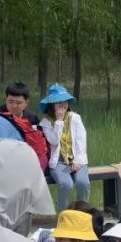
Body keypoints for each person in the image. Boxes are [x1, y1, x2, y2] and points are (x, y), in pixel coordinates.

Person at [38, 83, 90, 211]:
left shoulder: (75, 118)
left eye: (65, 101)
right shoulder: (46, 122)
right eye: (58, 102)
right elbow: (54, 141)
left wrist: (78, 161)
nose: (63, 105)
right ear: (52, 104)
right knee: (66, 184)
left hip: (77, 160)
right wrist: (59, 121)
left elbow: (81, 141)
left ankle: (82, 213)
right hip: (59, 163)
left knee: (83, 183)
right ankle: (62, 214)